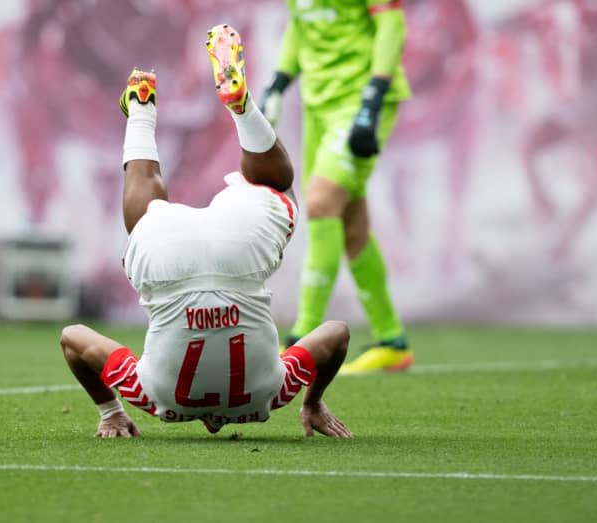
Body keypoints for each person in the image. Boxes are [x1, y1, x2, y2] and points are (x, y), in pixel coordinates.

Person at [60, 24, 353, 439]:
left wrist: (310, 399)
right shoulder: (155, 398)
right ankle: (142, 108)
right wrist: (112, 409)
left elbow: (336, 335)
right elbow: (74, 340)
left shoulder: (269, 395)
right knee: (145, 217)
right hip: (170, 254)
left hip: (240, 246)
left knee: (275, 186)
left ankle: (240, 109)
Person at [260, 0, 413, 374]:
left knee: (322, 202)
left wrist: (374, 95)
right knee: (352, 225)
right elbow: (301, 25)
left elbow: (392, 25)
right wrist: (279, 81)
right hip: (318, 107)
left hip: (360, 102)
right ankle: (392, 341)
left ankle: (301, 338)